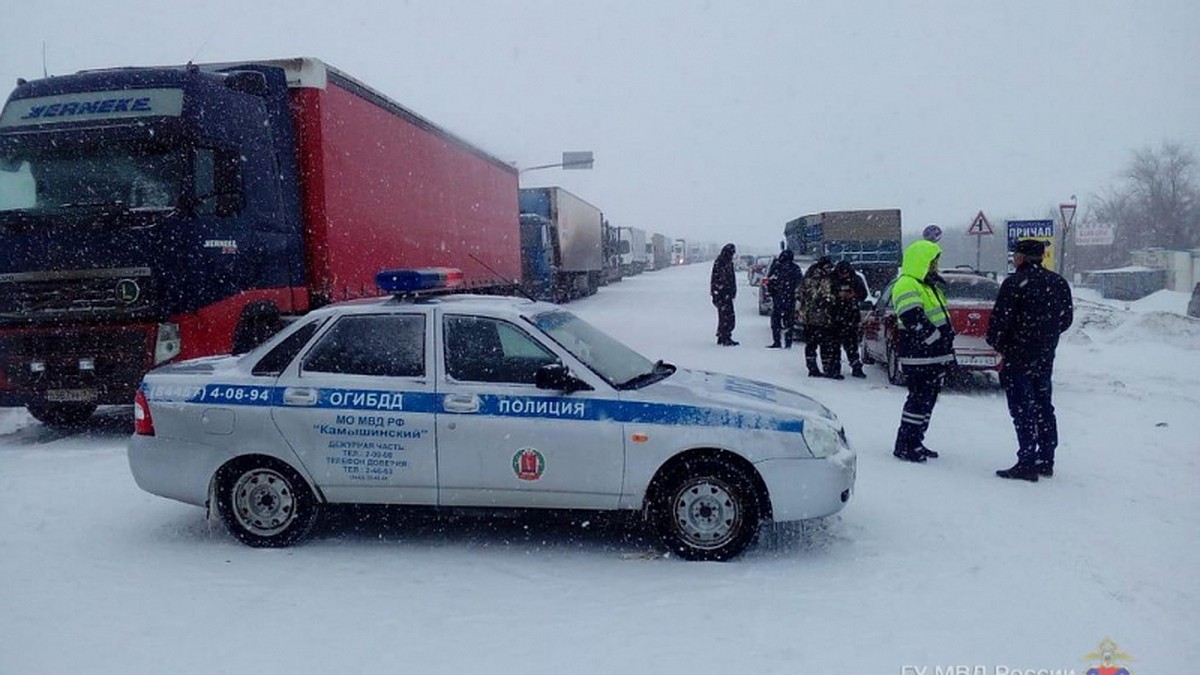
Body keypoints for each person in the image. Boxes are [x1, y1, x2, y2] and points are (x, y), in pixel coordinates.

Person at [987, 238, 1074, 481]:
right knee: (1043, 405)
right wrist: (1046, 338)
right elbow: (1066, 319)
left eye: (1016, 255)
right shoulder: (1058, 283)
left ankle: (1027, 460)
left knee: (1022, 408)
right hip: (1045, 356)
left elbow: (999, 321)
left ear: (1022, 258)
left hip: (1017, 356)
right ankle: (1046, 459)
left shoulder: (1015, 283)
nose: (1014, 258)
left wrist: (1001, 344)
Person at [891, 240, 956, 462]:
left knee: (927, 401)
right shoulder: (907, 284)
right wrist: (935, 339)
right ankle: (905, 445)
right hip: (920, 356)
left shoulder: (929, 286)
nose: (936, 266)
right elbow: (912, 318)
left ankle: (916, 441)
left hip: (933, 356)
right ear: (922, 262)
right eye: (933, 261)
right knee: (918, 401)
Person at [797, 257, 837, 377]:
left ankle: (813, 367)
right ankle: (824, 368)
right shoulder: (825, 278)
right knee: (823, 344)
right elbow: (825, 297)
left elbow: (800, 294)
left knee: (813, 344)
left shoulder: (809, 277)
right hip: (821, 317)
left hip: (810, 317)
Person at [830, 261, 868, 378]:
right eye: (842, 273)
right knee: (834, 345)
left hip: (851, 316)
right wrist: (836, 296)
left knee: (852, 345)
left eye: (846, 273)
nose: (844, 276)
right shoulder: (831, 279)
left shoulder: (856, 279)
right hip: (835, 317)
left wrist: (853, 295)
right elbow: (825, 294)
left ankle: (856, 367)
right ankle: (835, 369)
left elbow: (864, 294)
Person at [765, 249, 804, 348]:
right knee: (788, 322)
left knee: (776, 321)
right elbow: (800, 284)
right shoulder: (795, 268)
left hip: (779, 299)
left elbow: (770, 281)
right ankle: (788, 342)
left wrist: (772, 292)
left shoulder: (777, 267)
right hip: (790, 299)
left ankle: (777, 341)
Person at [710, 243, 739, 346]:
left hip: (725, 294)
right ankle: (725, 336)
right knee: (727, 316)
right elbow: (716, 280)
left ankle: (722, 336)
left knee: (725, 316)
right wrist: (717, 293)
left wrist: (733, 290)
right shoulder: (721, 262)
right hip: (722, 294)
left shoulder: (727, 262)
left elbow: (731, 278)